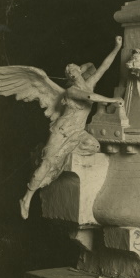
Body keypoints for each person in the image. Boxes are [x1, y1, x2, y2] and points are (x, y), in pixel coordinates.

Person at [18, 37, 124, 219]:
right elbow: (90, 97)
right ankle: (27, 198)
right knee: (46, 164)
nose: (71, 72)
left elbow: (105, 66)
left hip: (78, 133)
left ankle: (65, 155)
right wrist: (112, 100)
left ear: (79, 71)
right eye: (68, 72)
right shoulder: (71, 91)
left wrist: (117, 46)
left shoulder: (90, 83)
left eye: (73, 69)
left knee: (94, 146)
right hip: (62, 131)